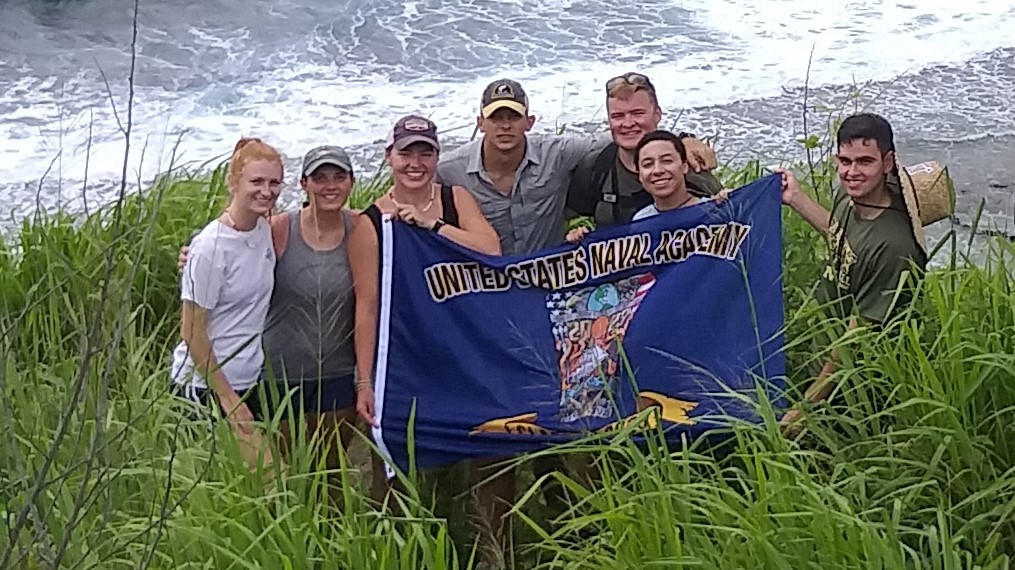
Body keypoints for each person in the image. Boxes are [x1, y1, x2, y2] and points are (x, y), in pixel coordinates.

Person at [437, 77, 719, 255]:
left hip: (550, 281)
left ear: (530, 122)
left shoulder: (557, 154)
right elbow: (419, 189)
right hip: (485, 281)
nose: (505, 126)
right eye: (496, 118)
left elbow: (728, 220)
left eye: (513, 117)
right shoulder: (448, 169)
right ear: (480, 123)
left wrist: (683, 141)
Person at [777, 112, 928, 436]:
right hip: (820, 361)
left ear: (888, 162)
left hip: (851, 393)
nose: (852, 172)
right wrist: (796, 199)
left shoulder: (894, 246)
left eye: (865, 161)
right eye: (845, 161)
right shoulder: (849, 198)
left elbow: (854, 341)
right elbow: (842, 236)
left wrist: (805, 410)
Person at [170, 137, 282, 469]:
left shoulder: (262, 228)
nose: (266, 191)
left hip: (249, 379)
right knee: (270, 478)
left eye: (274, 183)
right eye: (256, 182)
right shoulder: (210, 247)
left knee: (243, 484)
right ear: (234, 183)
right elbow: (192, 332)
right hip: (206, 387)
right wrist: (228, 398)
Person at [566, 72, 724, 228]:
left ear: (657, 114)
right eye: (618, 116)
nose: (628, 123)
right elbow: (568, 217)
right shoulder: (596, 168)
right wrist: (578, 234)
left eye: (638, 113)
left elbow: (725, 215)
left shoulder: (689, 166)